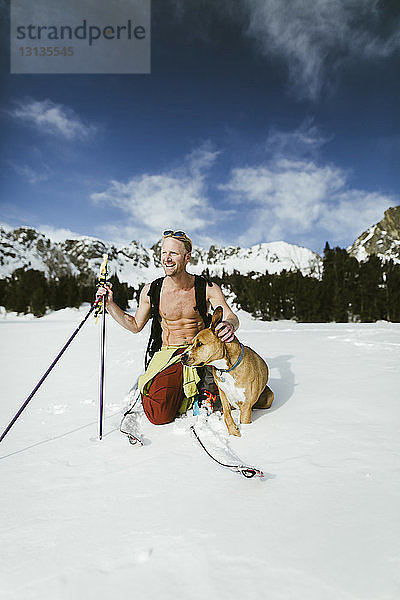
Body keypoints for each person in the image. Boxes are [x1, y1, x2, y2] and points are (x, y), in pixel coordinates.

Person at [97, 230, 239, 425]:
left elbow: (230, 315)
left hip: (202, 353)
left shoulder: (206, 287)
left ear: (187, 257)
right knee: (159, 415)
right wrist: (110, 305)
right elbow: (135, 325)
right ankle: (172, 389)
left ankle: (199, 390)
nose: (167, 258)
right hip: (171, 354)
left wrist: (229, 325)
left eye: (173, 253)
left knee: (239, 397)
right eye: (164, 253)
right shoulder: (151, 290)